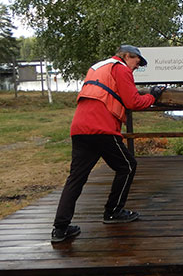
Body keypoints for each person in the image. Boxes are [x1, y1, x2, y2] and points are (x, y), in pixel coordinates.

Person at [51, 45, 164, 243]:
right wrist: (153, 95)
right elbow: (133, 102)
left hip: (80, 128)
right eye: (137, 63)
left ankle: (60, 229)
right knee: (127, 166)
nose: (136, 68)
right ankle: (113, 212)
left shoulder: (98, 67)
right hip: (101, 128)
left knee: (76, 179)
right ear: (127, 56)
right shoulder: (121, 68)